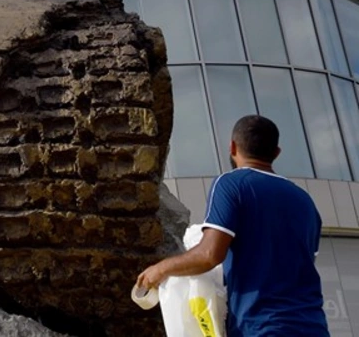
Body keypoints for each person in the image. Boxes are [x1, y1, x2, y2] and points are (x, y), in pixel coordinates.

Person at [136, 115, 329, 336]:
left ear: (233, 146)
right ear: (276, 153)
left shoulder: (231, 184)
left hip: (262, 328)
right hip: (314, 327)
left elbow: (209, 254)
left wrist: (159, 269)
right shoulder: (306, 202)